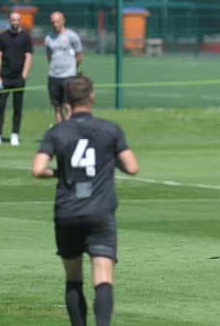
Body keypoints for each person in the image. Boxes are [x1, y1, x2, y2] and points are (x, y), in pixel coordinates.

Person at [31, 75, 139, 326]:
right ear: (92, 97)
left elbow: (38, 169)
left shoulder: (56, 132)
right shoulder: (110, 129)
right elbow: (132, 167)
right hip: (100, 212)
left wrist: (60, 173)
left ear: (67, 101)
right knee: (102, 277)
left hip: (67, 212)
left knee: (73, 278)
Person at [0, 11, 33, 147]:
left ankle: (14, 135)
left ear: (20, 21)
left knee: (17, 107)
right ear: (9, 21)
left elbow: (28, 56)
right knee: (0, 107)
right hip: (3, 78)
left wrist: (24, 75)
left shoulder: (26, 37)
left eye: (18, 20)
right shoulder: (2, 37)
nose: (15, 22)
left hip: (18, 78)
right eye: (13, 20)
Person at [45, 11, 84, 123]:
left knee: (68, 106)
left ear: (63, 21)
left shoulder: (72, 36)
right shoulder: (48, 38)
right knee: (57, 107)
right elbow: (49, 56)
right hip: (53, 76)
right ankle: (61, 131)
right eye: (53, 22)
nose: (55, 24)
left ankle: (69, 130)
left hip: (68, 76)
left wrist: (71, 69)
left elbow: (79, 56)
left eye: (57, 21)